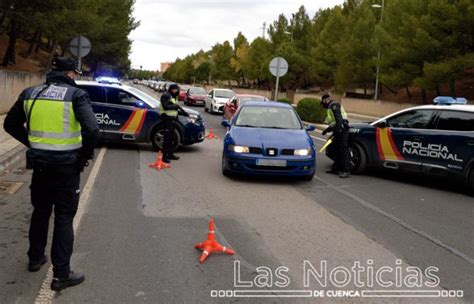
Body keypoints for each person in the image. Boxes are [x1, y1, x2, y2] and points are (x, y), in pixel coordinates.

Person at [3, 57, 99, 291]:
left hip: (41, 166)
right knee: (64, 218)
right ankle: (61, 275)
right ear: (70, 74)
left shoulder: (30, 93)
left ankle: (35, 258)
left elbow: (10, 124)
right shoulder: (75, 95)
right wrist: (84, 156)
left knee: (41, 211)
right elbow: (92, 129)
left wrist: (32, 144)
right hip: (67, 168)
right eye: (74, 75)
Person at [321, 94, 351, 178]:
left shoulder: (334, 105)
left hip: (342, 130)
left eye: (323, 102)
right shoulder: (331, 106)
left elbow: (339, 119)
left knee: (342, 149)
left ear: (326, 100)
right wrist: (326, 130)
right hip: (338, 129)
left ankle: (346, 170)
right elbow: (334, 122)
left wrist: (338, 131)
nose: (323, 105)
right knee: (333, 148)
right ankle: (336, 168)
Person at [160, 83, 187, 163]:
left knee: (172, 138)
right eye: (176, 89)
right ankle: (164, 157)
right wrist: (174, 107)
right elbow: (165, 106)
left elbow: (175, 108)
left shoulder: (173, 96)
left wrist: (183, 113)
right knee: (167, 139)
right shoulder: (166, 95)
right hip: (167, 119)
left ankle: (170, 154)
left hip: (172, 119)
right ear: (172, 89)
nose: (177, 91)